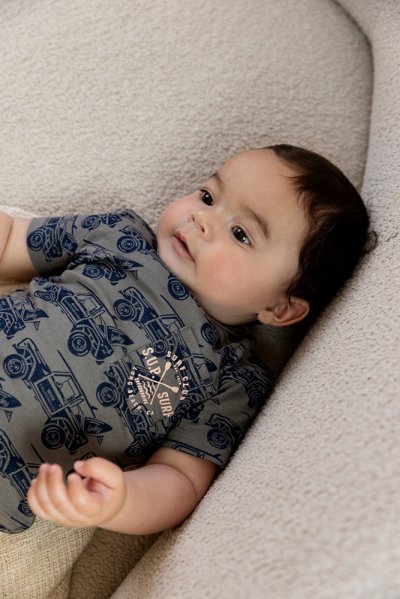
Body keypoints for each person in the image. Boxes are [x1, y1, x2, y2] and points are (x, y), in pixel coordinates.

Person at [0, 145, 374, 535]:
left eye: (241, 234)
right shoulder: (118, 235)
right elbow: (11, 241)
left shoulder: (234, 379)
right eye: (208, 196)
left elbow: (180, 479)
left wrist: (119, 503)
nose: (202, 218)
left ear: (280, 308)